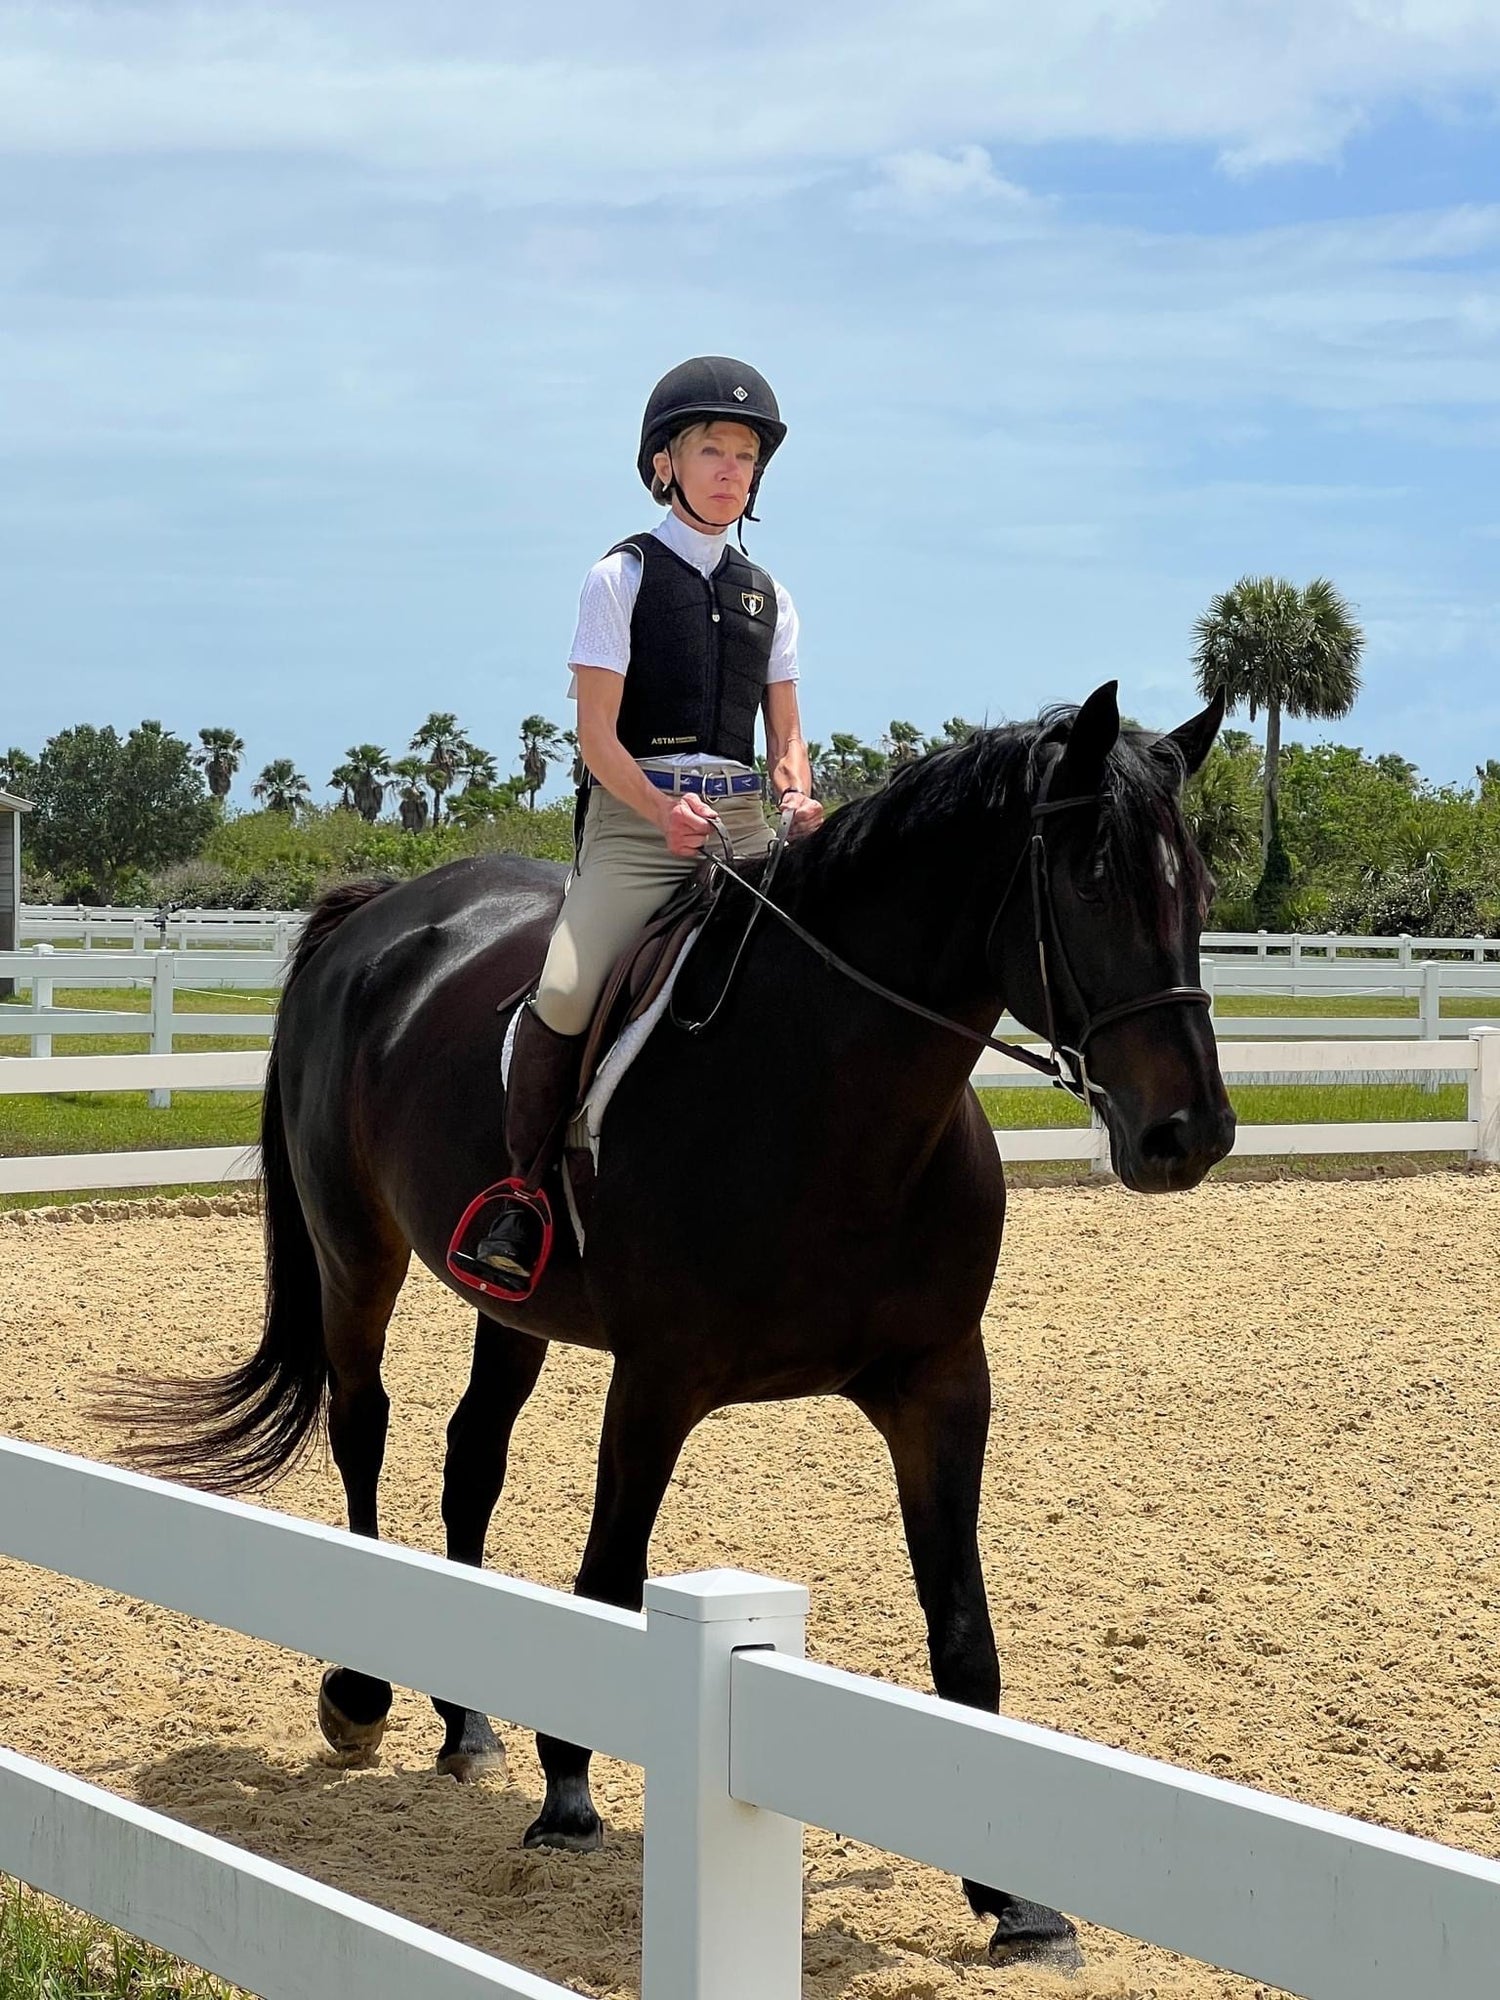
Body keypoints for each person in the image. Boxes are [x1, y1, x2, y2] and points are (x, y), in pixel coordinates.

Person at [469, 356, 823, 1289]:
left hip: (746, 827)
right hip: (637, 828)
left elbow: (787, 736)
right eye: (712, 449)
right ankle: (525, 1196)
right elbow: (593, 737)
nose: (730, 469)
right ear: (664, 463)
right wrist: (661, 811)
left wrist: (796, 793)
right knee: (569, 988)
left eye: (745, 457)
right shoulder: (618, 578)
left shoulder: (771, 597)